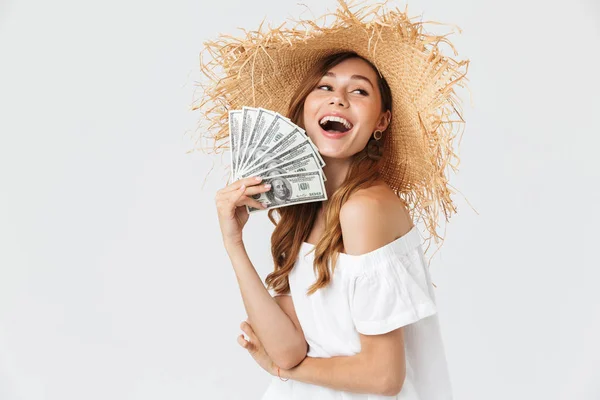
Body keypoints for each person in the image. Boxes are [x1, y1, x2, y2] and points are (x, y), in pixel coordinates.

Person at [203, 1, 470, 398]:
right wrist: (233, 242)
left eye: (359, 90)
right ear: (305, 110)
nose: (338, 98)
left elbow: (383, 377)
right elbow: (288, 347)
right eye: (324, 86)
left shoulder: (366, 208)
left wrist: (284, 370)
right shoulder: (308, 209)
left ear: (382, 121)